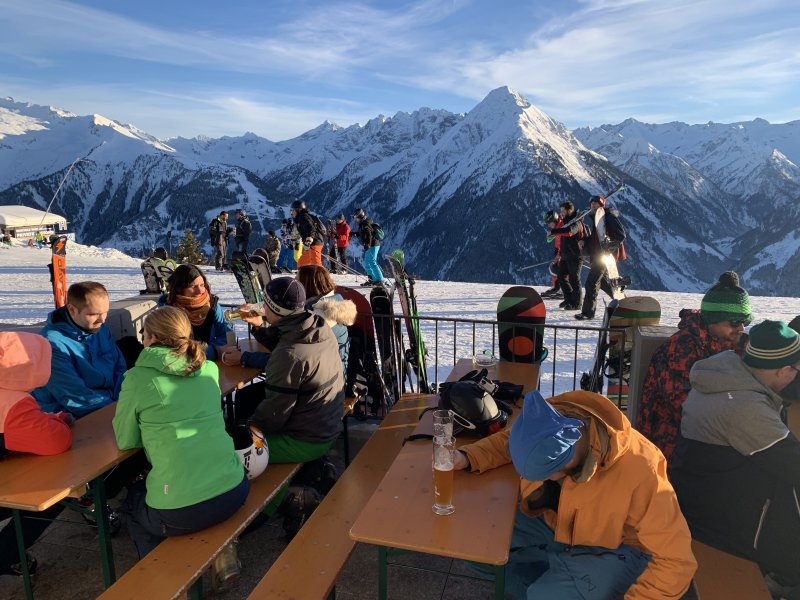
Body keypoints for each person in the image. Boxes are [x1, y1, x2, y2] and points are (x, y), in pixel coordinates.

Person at [453, 390, 695, 599]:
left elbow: (677, 561)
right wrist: (469, 457)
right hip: (556, 525)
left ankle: (556, 588)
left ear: (566, 462)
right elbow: (512, 441)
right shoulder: (553, 416)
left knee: (542, 595)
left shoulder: (642, 469)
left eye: (547, 474)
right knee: (474, 548)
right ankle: (556, 584)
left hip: (617, 548)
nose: (545, 481)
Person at [670, 320, 800, 596]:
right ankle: (783, 577)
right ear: (783, 370)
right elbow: (794, 464)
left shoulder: (729, 373)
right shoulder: (745, 407)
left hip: (699, 498)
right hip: (719, 524)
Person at [113, 306, 249, 560]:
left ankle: (162, 573)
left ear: (152, 337)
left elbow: (126, 440)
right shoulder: (208, 368)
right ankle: (219, 553)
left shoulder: (137, 378)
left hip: (180, 510)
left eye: (144, 334)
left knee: (132, 503)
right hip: (235, 488)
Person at [636, 271, 752, 460]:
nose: (741, 328)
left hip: (708, 439)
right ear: (713, 319)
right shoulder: (682, 347)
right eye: (734, 322)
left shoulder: (731, 343)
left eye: (745, 321)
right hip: (671, 446)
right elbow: (686, 407)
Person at [0, 331, 73, 577]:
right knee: (52, 498)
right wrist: (60, 422)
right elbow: (55, 442)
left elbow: (23, 428)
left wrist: (48, 419)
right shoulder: (13, 403)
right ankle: (6, 555)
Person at [32, 281, 127, 418]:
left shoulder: (101, 330)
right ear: (72, 310)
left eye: (105, 312)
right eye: (93, 314)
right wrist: (117, 412)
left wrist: (123, 400)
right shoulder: (51, 344)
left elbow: (119, 368)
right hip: (69, 414)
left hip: (109, 403)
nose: (102, 320)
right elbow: (74, 396)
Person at [161, 264, 233, 361]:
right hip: (181, 364)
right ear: (179, 288)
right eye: (193, 286)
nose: (200, 291)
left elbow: (225, 336)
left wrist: (209, 351)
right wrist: (213, 351)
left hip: (211, 363)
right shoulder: (168, 312)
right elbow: (174, 348)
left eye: (202, 285)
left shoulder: (212, 306)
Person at [296, 265, 356, 377]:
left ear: (307, 286)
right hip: (334, 376)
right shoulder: (333, 306)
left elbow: (295, 353)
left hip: (320, 381)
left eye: (297, 283)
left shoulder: (317, 317)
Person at [575, 195, 626, 320]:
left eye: (596, 203)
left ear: (601, 205)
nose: (593, 205)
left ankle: (588, 313)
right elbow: (595, 238)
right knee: (602, 283)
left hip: (605, 256)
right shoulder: (598, 219)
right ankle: (623, 302)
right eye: (592, 203)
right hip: (598, 255)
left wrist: (609, 247)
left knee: (591, 283)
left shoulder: (609, 217)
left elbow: (621, 235)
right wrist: (584, 241)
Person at [549, 200, 587, 311]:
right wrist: (559, 254)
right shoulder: (566, 222)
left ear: (569, 210)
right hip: (565, 256)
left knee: (574, 279)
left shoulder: (577, 222)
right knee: (561, 277)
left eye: (563, 211)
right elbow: (563, 239)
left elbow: (569, 232)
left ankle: (577, 304)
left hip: (575, 256)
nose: (561, 213)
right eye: (561, 211)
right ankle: (569, 299)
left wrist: (555, 231)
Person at [352, 207, 385, 286]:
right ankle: (372, 279)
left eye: (356, 218)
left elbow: (369, 235)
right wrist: (355, 233)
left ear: (360, 217)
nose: (355, 220)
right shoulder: (363, 223)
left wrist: (368, 244)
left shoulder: (366, 223)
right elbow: (363, 233)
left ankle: (380, 280)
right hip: (370, 245)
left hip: (373, 245)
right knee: (367, 263)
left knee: (372, 262)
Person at [290, 200, 325, 267]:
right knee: (301, 263)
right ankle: (306, 273)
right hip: (310, 245)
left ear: (298, 210)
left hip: (315, 243)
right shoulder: (299, 218)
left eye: (293, 210)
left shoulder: (304, 217)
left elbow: (311, 228)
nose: (292, 212)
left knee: (316, 264)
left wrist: (310, 237)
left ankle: (320, 274)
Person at [541, 210, 564, 299]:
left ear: (554, 220)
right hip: (559, 251)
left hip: (564, 252)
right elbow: (551, 240)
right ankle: (557, 287)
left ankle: (563, 290)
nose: (548, 225)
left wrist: (560, 254)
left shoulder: (562, 226)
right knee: (554, 268)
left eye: (549, 223)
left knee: (560, 269)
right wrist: (551, 235)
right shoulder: (557, 227)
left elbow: (564, 241)